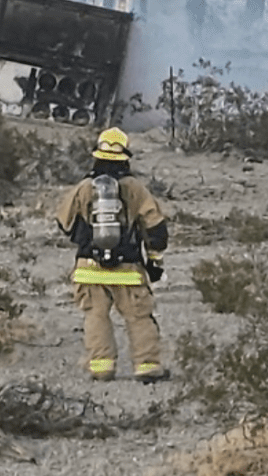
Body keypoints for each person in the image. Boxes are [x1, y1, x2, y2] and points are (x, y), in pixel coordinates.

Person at [56, 127, 171, 383]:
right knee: (139, 317)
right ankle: (147, 366)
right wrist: (154, 261)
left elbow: (64, 222)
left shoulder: (84, 187)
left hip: (88, 268)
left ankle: (101, 367)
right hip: (128, 270)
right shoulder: (136, 189)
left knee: (95, 316)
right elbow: (156, 229)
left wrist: (87, 243)